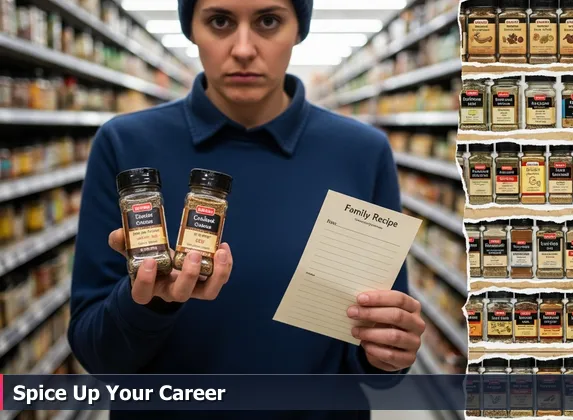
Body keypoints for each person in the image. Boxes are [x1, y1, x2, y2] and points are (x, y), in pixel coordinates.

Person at [67, 0, 425, 418]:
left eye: (268, 21)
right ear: (191, 29)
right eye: (219, 21)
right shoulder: (125, 145)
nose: (242, 48)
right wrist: (150, 303)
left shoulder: (362, 153)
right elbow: (97, 355)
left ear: (299, 29)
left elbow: (376, 357)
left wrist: (389, 349)